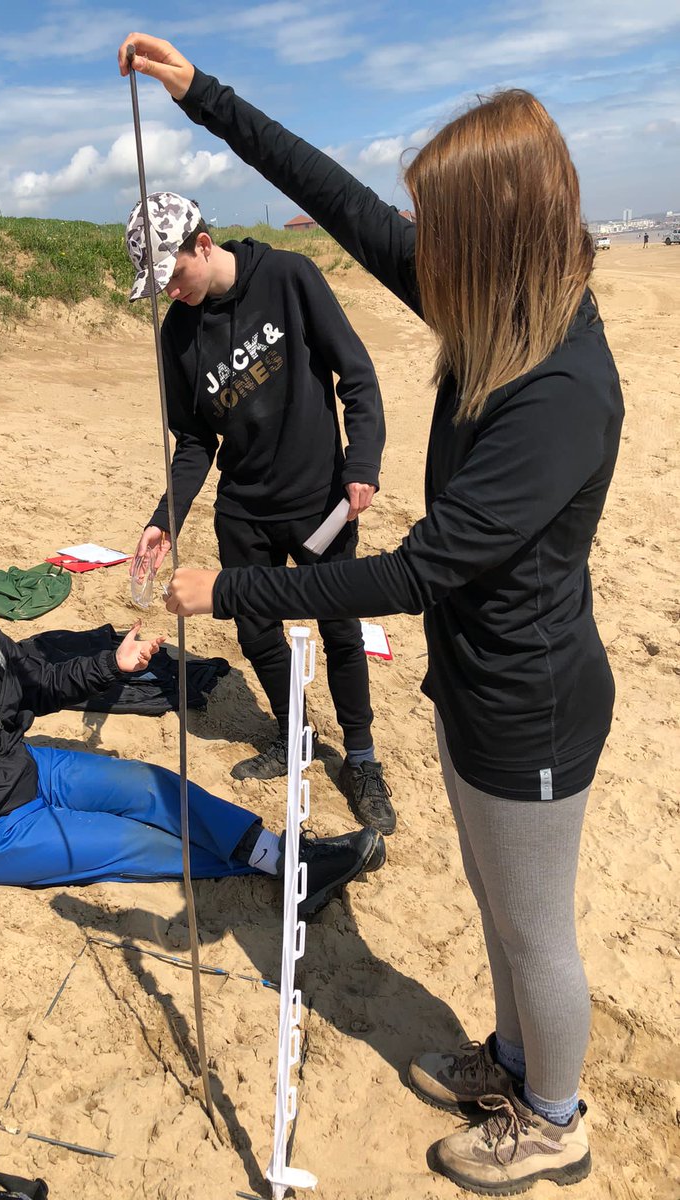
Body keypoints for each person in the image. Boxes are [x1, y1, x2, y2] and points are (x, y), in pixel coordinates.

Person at [119, 34, 624, 1195]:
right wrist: (207, 99)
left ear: (492, 236)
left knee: (536, 927)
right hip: (476, 683)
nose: (422, 250)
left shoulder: (560, 390)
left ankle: (555, 1117)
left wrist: (231, 587)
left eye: (441, 228)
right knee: (498, 905)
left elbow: (408, 574)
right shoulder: (501, 304)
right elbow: (336, 204)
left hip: (532, 706)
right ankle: (510, 1059)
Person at [0, 545, 381, 917]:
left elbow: (40, 685)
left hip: (22, 767)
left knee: (150, 787)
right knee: (135, 843)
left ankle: (280, 853)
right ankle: (293, 875)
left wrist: (110, 666)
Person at [126, 189, 394, 834]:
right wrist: (166, 516)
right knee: (255, 630)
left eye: (175, 277)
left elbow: (356, 375)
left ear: (202, 243)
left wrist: (362, 464)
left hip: (318, 499)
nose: (172, 293)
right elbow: (194, 441)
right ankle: (293, 732)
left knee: (339, 627)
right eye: (158, 286)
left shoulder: (288, 278)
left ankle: (360, 757)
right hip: (243, 508)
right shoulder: (177, 336)